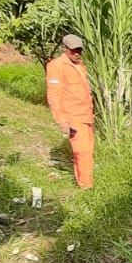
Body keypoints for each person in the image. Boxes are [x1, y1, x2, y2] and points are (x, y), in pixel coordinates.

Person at [45, 34, 94, 189]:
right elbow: (54, 95)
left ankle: (85, 181)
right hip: (73, 116)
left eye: (79, 50)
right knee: (82, 152)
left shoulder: (80, 65)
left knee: (87, 152)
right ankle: (86, 187)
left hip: (86, 115)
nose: (77, 53)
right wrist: (62, 121)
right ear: (65, 49)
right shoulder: (56, 66)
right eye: (73, 50)